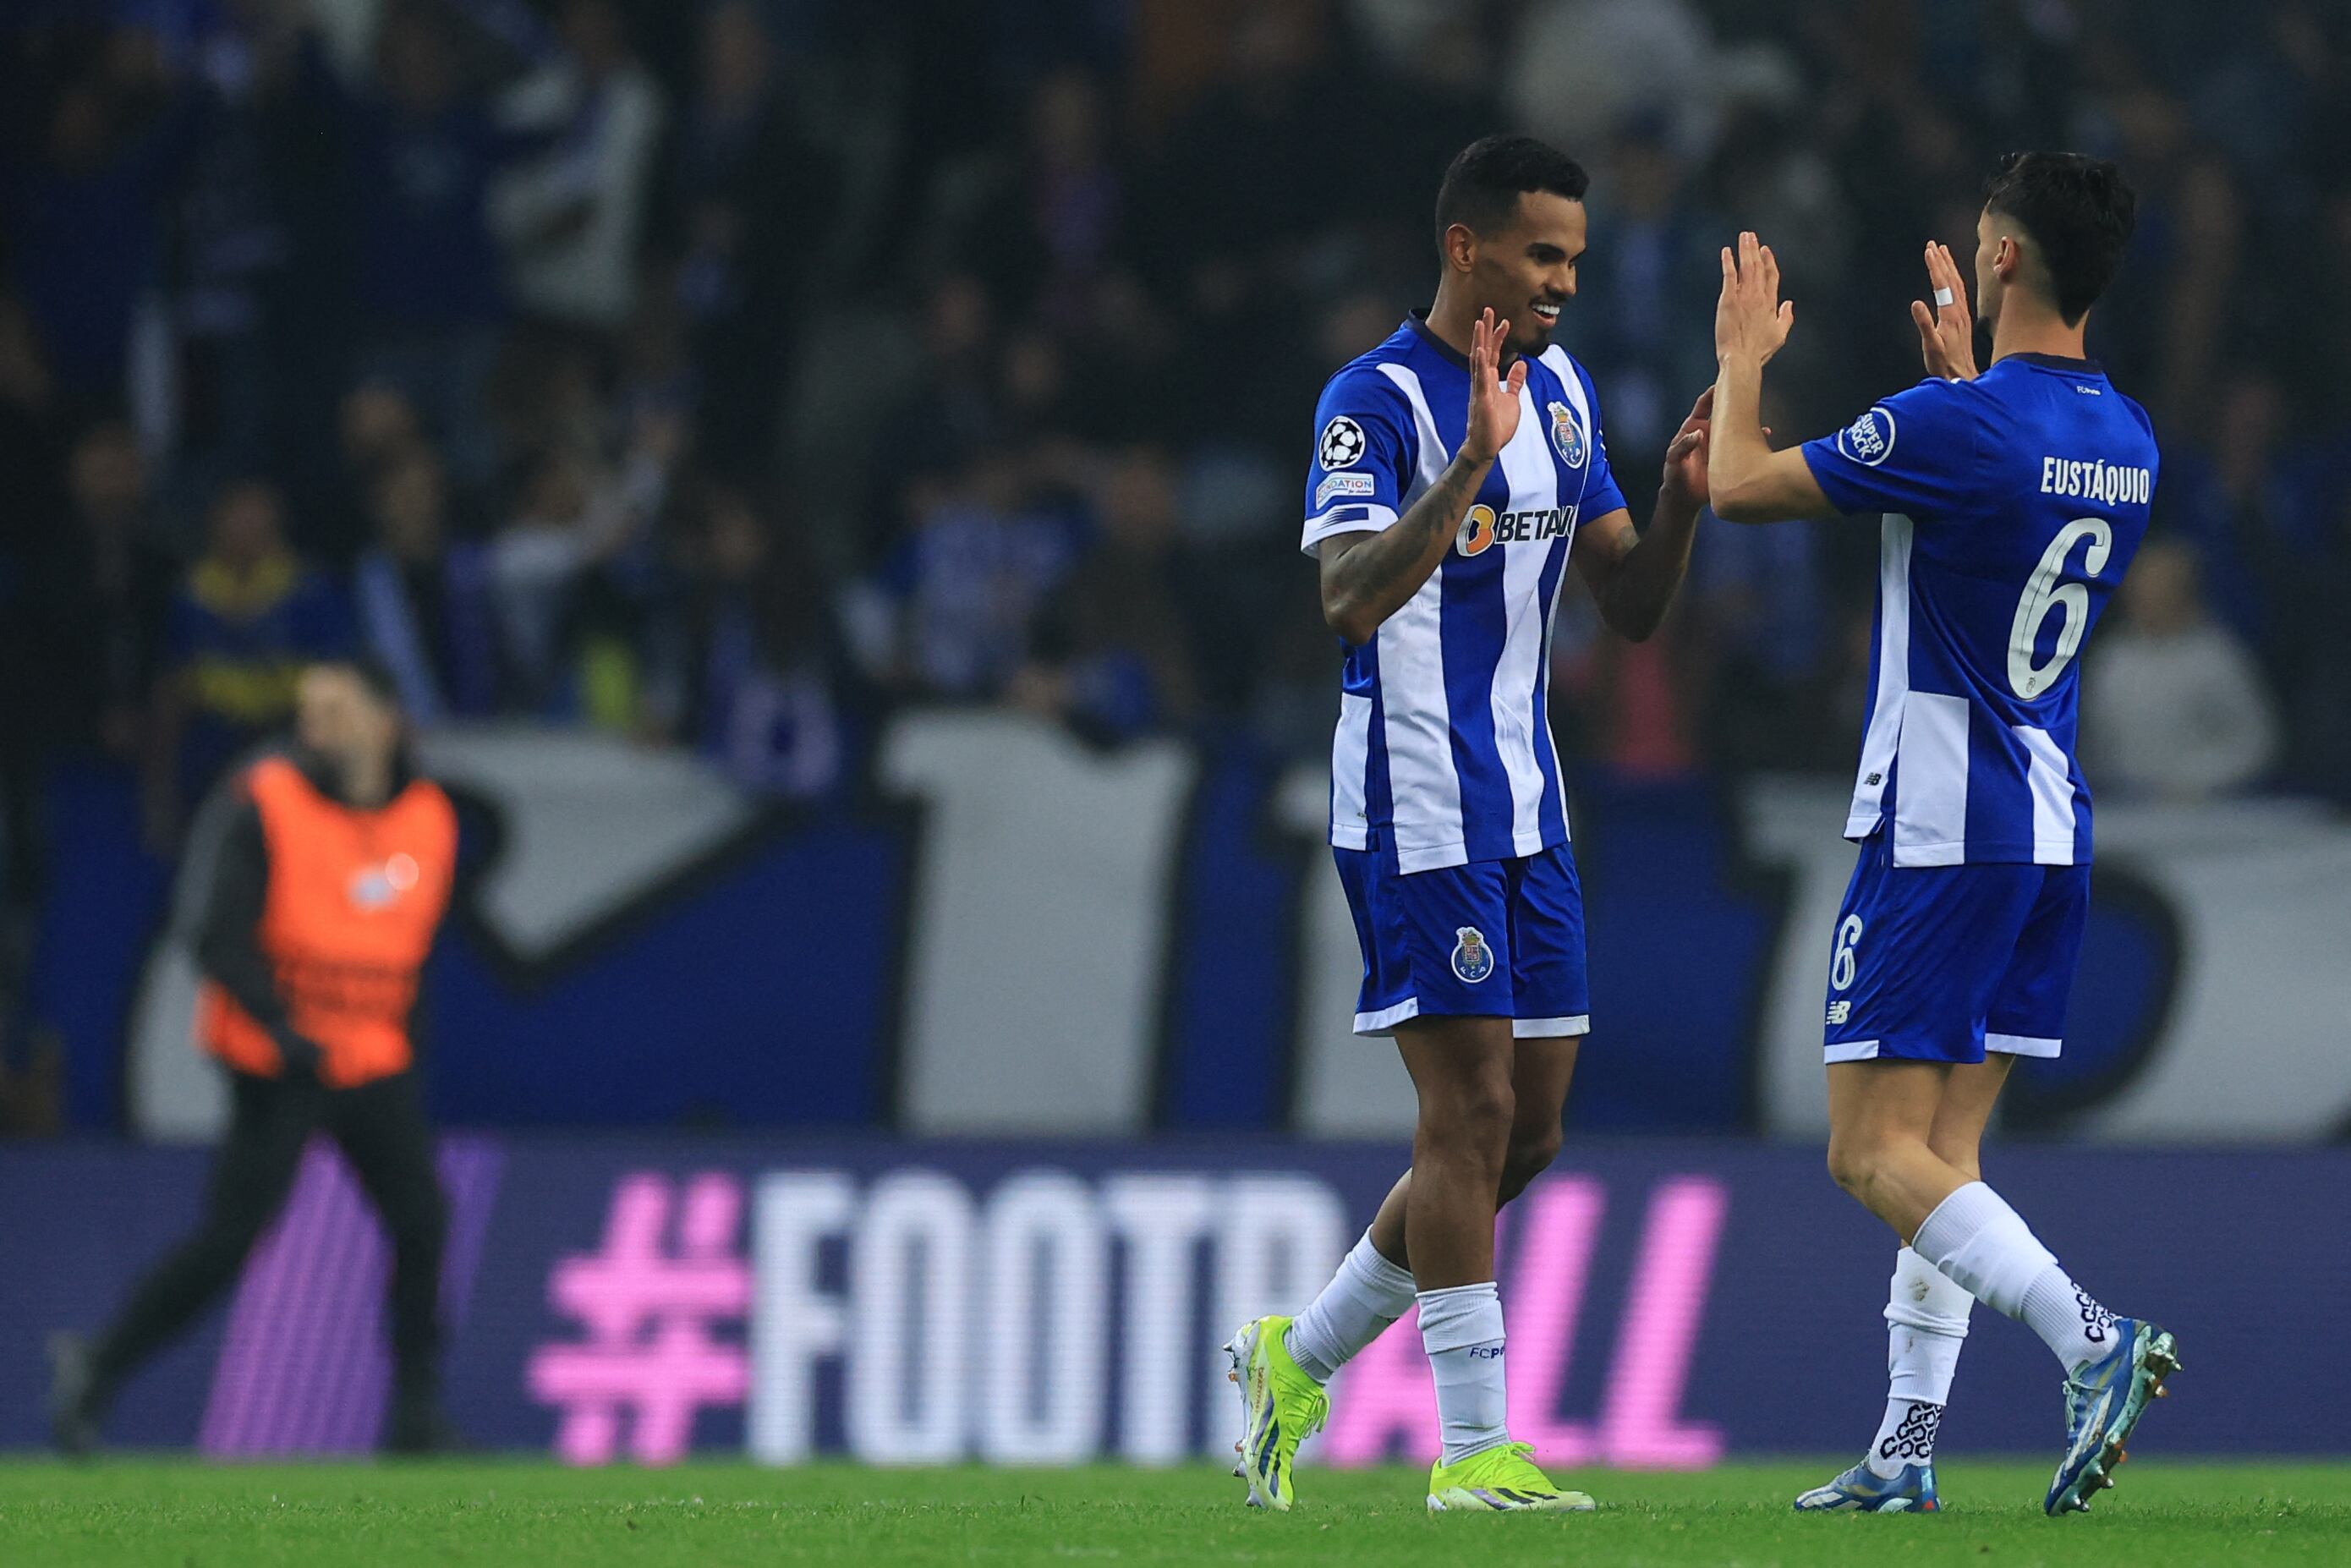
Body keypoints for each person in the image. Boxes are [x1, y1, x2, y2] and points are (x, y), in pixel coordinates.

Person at [1227, 134, 1718, 1514]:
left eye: (1574, 254)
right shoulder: (1371, 399)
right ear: (1466, 249)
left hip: (1529, 797)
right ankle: (1474, 1448)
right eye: (1543, 253)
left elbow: (1625, 602)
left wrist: (1676, 499)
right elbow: (1345, 598)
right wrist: (1465, 476)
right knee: (1470, 1107)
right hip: (1417, 799)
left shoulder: (1560, 391)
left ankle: (1295, 1349)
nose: (1566, 278)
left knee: (1530, 1129)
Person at [1704, 153, 2177, 1515]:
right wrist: (1964, 392)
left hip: (1937, 818)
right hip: (2047, 822)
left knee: (1870, 1151)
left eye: (1982, 241)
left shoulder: (1954, 427)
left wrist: (1742, 359)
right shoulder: (2130, 435)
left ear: (2008, 262)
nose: (1971, 258)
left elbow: (1738, 486)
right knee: (1947, 1162)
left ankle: (2095, 1341)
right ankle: (1908, 1448)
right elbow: (2002, 499)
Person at [52, 661, 464, 1456]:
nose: (318, 728)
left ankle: (417, 1415)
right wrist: (283, 1030)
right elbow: (216, 938)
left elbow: (407, 952)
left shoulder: (429, 819)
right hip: (281, 1064)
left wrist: (404, 1051)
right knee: (234, 1236)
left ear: (388, 720)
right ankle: (98, 1367)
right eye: (309, 712)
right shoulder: (269, 805)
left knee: (422, 1216)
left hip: (373, 1060)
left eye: (339, 710)